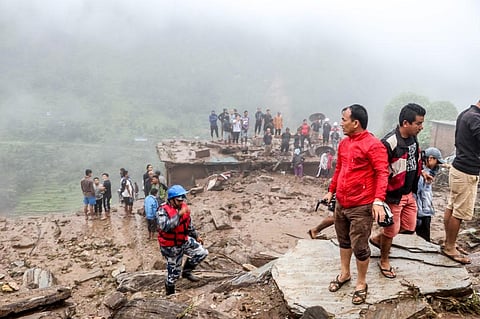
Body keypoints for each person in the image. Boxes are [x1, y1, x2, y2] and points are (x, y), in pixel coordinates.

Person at [321, 104, 389, 305]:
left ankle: (361, 283)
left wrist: (378, 200)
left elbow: (382, 173)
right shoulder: (344, 144)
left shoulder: (373, 145)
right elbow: (339, 169)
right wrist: (331, 190)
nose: (341, 123)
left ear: (355, 122)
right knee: (343, 240)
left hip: (361, 206)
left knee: (360, 246)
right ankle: (344, 274)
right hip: (341, 202)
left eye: (344, 119)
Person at [370, 103, 426, 279]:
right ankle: (384, 260)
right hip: (393, 195)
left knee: (409, 228)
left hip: (409, 193)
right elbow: (379, 170)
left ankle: (378, 239)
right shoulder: (389, 143)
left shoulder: (413, 138)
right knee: (391, 231)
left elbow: (413, 160)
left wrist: (421, 172)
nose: (421, 127)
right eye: (418, 123)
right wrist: (379, 198)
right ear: (405, 123)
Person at [442, 99, 480, 264]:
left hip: (458, 168)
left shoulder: (466, 113)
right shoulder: (475, 118)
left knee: (452, 206)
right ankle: (450, 247)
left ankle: (450, 242)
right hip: (467, 171)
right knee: (459, 212)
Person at [156, 185, 208, 295]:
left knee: (202, 252)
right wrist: (178, 215)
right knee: (174, 274)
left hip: (183, 240)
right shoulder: (162, 210)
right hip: (170, 246)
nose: (181, 202)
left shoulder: (183, 207)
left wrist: (196, 236)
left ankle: (187, 272)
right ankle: (170, 294)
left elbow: (188, 225)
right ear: (171, 199)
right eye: (178, 200)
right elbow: (165, 227)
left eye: (182, 199)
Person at [415, 147, 445, 242]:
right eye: (437, 162)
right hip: (421, 212)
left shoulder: (427, 173)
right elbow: (417, 193)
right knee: (423, 238)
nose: (437, 165)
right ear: (430, 158)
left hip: (425, 211)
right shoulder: (422, 175)